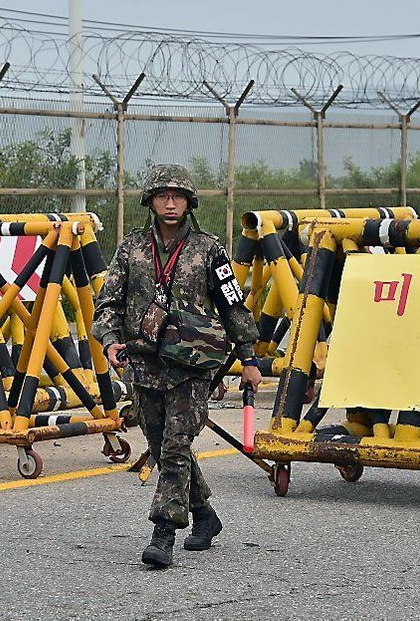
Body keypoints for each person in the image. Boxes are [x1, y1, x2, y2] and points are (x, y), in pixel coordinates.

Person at [93, 163, 261, 568]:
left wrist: (249, 358)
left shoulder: (209, 250)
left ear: (189, 203)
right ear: (150, 201)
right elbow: (109, 302)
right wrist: (111, 341)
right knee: (162, 444)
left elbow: (232, 304)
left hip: (192, 368)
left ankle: (163, 533)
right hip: (145, 365)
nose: (170, 204)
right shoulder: (131, 249)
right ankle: (205, 515)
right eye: (163, 196)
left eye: (178, 197)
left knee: (174, 447)